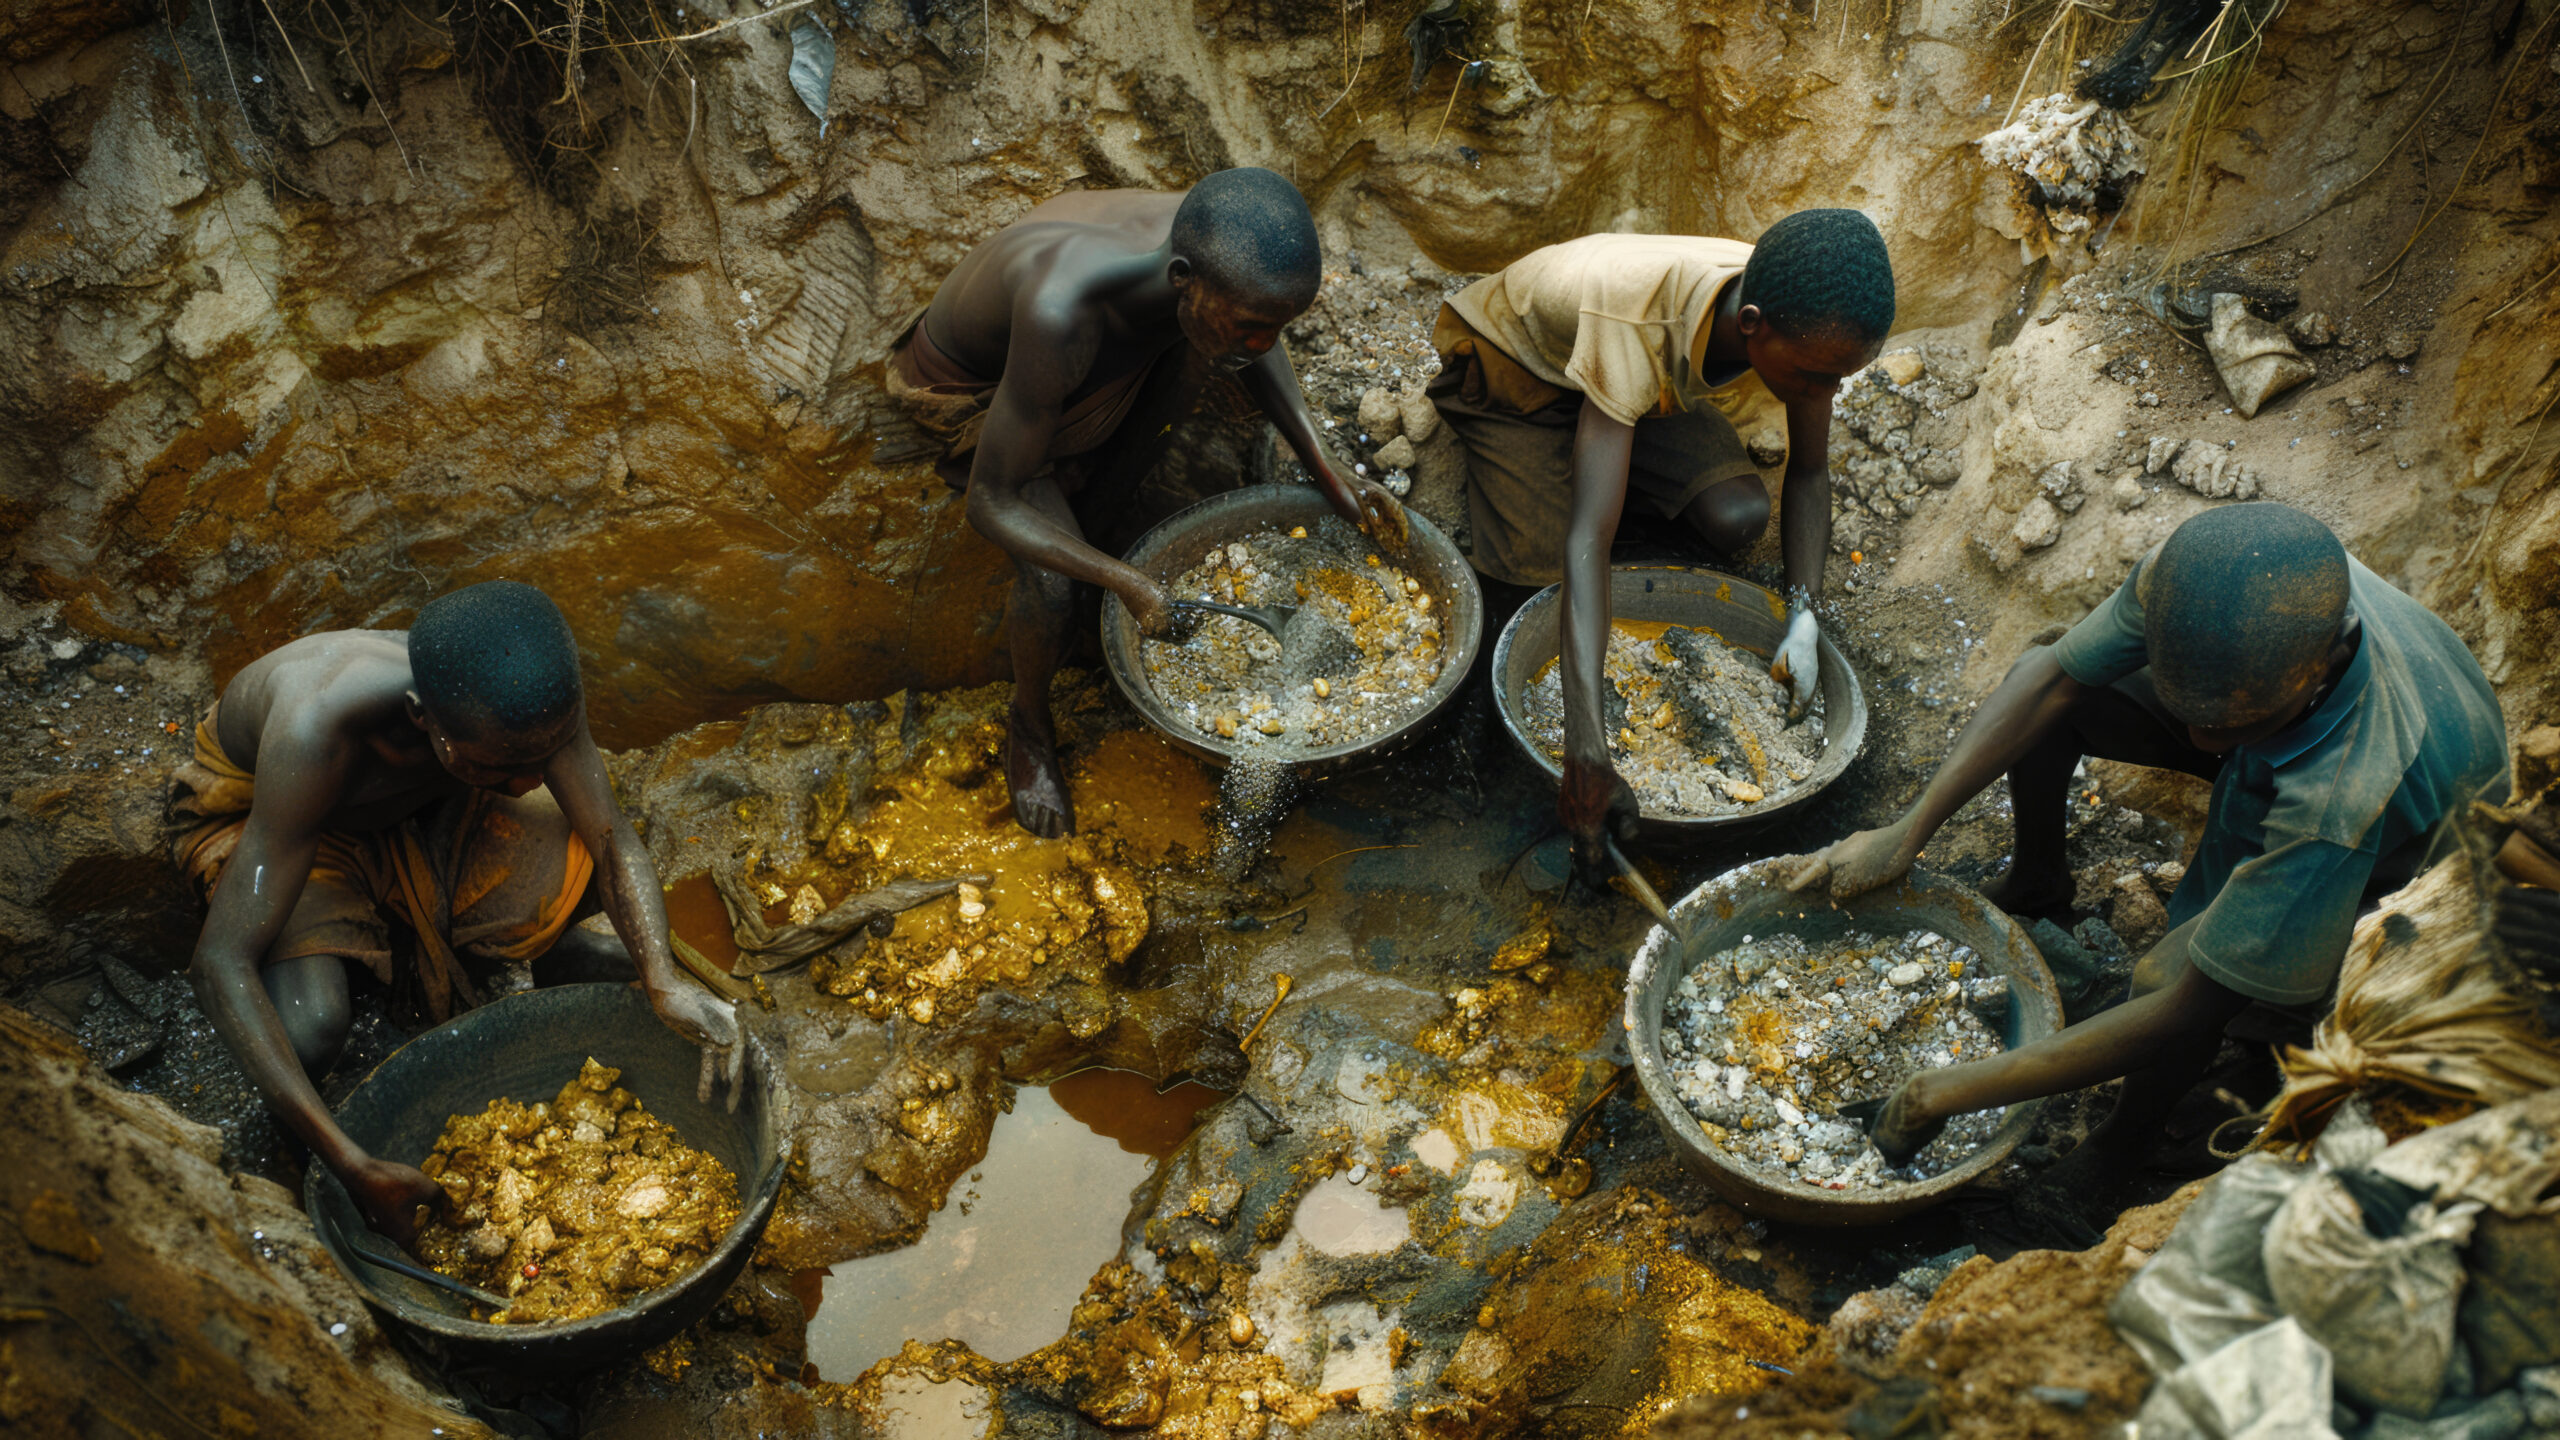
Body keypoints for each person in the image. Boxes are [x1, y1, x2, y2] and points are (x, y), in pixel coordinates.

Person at [1788, 503, 2509, 1203]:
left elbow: (2186, 1006)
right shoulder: (2206, 576)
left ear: (2324, 665)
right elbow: (2051, 679)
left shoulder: (2343, 798)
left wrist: (1939, 1091)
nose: (2199, 744)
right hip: (2294, 744)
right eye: (2191, 713)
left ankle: (2124, 1144)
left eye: (2229, 723)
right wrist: (1905, 833)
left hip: (2401, 869)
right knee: (2060, 690)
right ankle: (2038, 882)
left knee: (2175, 972)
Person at [170, 581, 741, 1246]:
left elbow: (611, 839)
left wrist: (661, 977)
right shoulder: (314, 727)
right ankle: (297, 1129)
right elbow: (219, 964)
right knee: (313, 1026)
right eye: (510, 768)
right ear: (421, 718)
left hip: (419, 801)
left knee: (575, 844)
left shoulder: (531, 705)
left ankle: (555, 955)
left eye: (544, 758)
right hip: (277, 820)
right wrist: (351, 1164)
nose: (534, 781)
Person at [887, 166, 1406, 839]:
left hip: (1106, 349)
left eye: (1277, 327)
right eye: (1252, 325)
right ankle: (1029, 724)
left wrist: (1326, 466)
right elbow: (992, 503)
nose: (1265, 345)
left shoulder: (1218, 237)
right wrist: (1126, 581)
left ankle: (1094, 512)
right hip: (981, 389)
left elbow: (1256, 334)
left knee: (1208, 369)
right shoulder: (1061, 312)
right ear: (1183, 279)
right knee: (1051, 589)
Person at [1423, 211, 1895, 869]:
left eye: (1837, 380)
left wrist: (1804, 614)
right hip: (1518, 369)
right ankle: (1581, 460)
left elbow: (1810, 473)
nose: (1824, 393)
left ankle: (1599, 453)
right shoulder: (1641, 323)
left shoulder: (1803, 317)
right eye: (1816, 380)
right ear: (1752, 325)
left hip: (1625, 390)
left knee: (1736, 516)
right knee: (1538, 580)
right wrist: (1587, 749)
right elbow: (1588, 537)